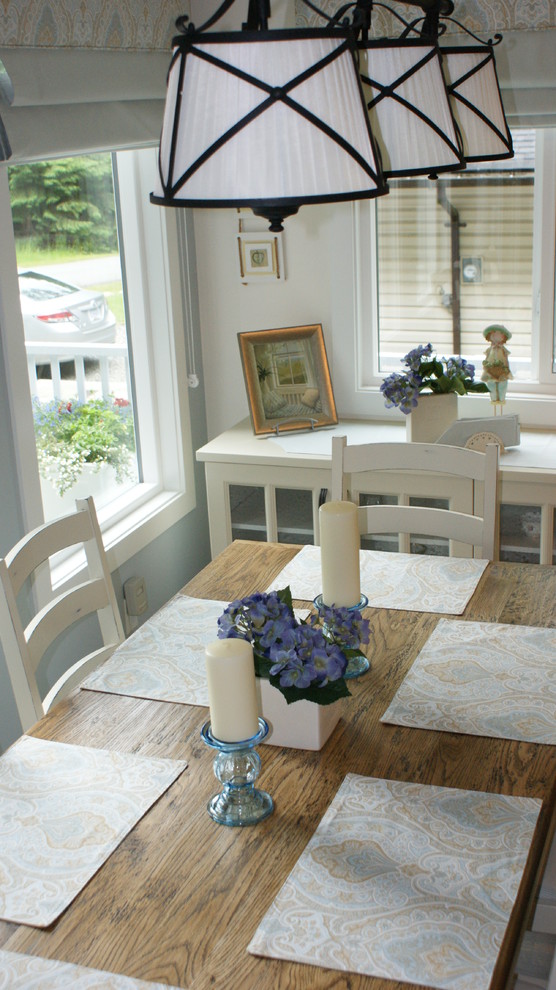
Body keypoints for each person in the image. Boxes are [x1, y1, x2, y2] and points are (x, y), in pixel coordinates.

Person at [481, 324, 513, 408]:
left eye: (499, 334)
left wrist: (507, 369)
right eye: (494, 334)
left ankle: (501, 400)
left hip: (501, 371)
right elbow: (487, 358)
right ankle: (494, 400)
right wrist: (486, 367)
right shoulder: (490, 349)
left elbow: (506, 359)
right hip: (491, 371)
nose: (496, 336)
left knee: (502, 386)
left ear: (503, 336)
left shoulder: (503, 350)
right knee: (491, 386)